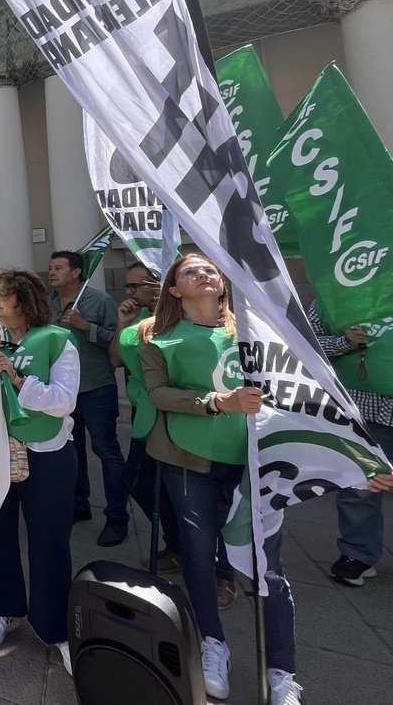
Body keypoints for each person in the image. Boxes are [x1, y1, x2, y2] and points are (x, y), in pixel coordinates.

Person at [139, 253, 299, 703]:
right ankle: (213, 642)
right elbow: (158, 393)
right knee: (198, 549)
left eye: (209, 268)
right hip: (190, 460)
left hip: (256, 463)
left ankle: (282, 672)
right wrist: (217, 401)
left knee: (269, 564)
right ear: (175, 291)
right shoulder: (159, 337)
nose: (203, 273)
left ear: (224, 284)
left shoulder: (255, 330)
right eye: (190, 271)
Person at [0, 269, 79, 674]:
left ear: (24, 299)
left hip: (47, 454)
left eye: (2, 296)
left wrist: (16, 378)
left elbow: (64, 402)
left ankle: (55, 627)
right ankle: (2, 610)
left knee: (49, 540)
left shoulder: (57, 340)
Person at [307, 300, 393, 587]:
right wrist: (344, 342)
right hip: (361, 410)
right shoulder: (337, 287)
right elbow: (303, 339)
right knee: (359, 486)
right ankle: (357, 555)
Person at [47, 250, 127, 547]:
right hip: (63, 390)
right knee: (72, 450)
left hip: (96, 387)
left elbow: (118, 339)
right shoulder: (48, 302)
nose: (52, 272)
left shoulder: (100, 301)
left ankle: (117, 517)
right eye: (51, 268)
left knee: (107, 451)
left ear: (76, 272)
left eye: (58, 268)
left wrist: (86, 326)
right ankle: (78, 505)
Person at [110, 264, 183, 574]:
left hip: (175, 414)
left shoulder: (181, 319)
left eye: (133, 287)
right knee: (140, 483)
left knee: (175, 487)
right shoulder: (136, 321)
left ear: (157, 287)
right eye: (127, 287)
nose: (128, 293)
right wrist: (122, 323)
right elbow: (114, 359)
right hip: (144, 413)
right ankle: (177, 543)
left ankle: (195, 551)